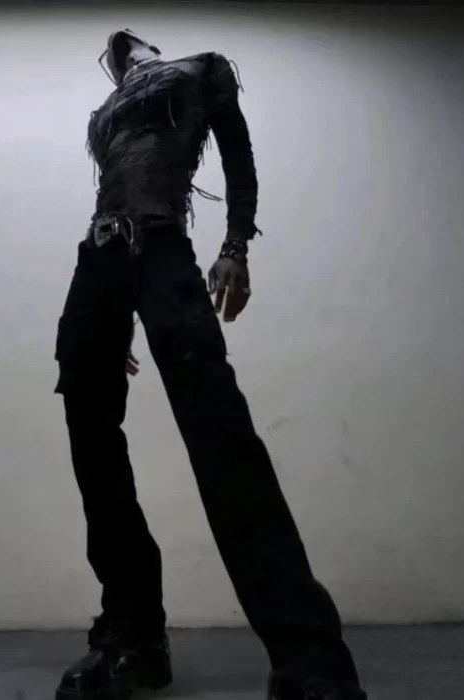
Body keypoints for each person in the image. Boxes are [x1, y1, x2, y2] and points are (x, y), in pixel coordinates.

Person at [53, 29, 367, 700]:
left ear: (149, 44)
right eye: (112, 54)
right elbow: (114, 189)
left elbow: (237, 155)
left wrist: (235, 247)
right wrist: (114, 312)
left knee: (223, 439)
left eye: (128, 45)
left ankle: (310, 659)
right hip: (100, 262)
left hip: (165, 250)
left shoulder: (200, 70)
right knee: (92, 447)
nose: (118, 49)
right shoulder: (105, 112)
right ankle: (132, 638)